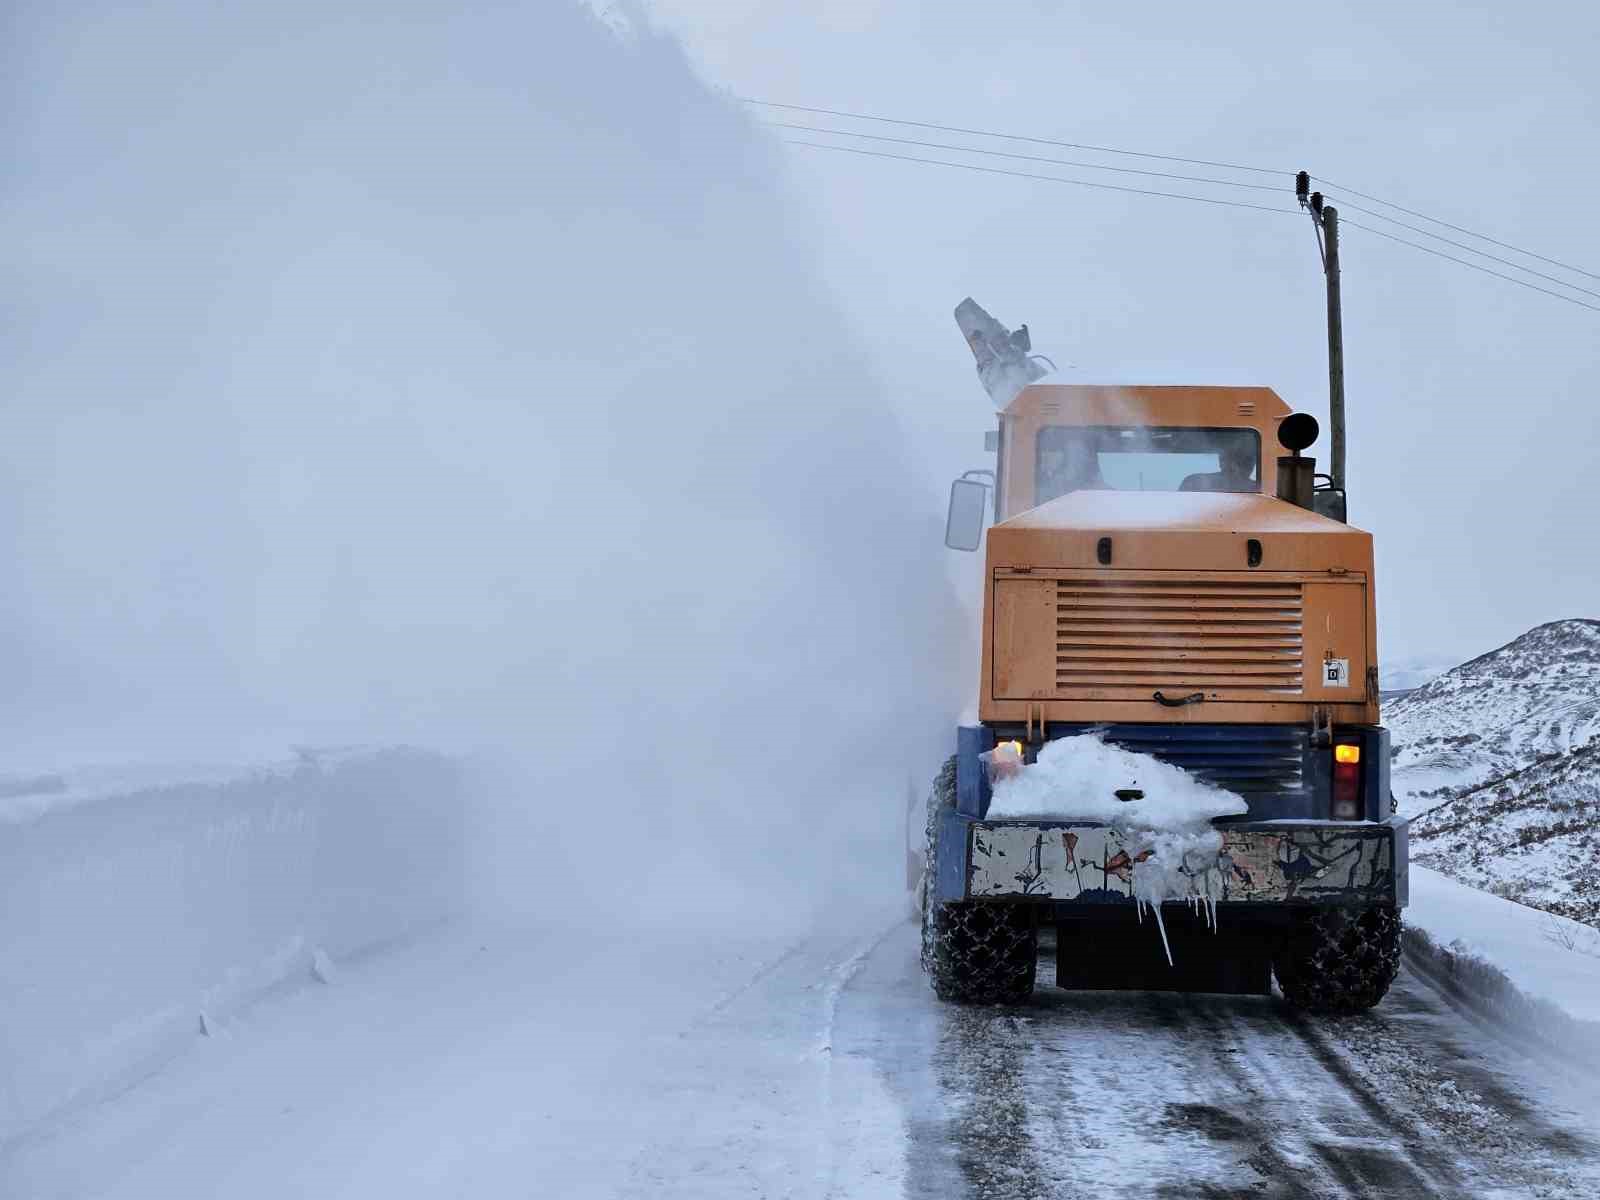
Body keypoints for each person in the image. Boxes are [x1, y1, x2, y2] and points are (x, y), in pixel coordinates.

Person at [1037, 439, 1107, 502]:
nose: (1075, 462)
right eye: (1071, 456)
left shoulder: (1104, 491)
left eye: (1079, 456)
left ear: (1088, 460)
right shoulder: (1051, 487)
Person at [1180, 441, 1258, 493]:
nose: (1238, 464)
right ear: (1221, 461)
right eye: (1233, 457)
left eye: (1248, 459)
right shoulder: (1195, 482)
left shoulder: (1257, 488)